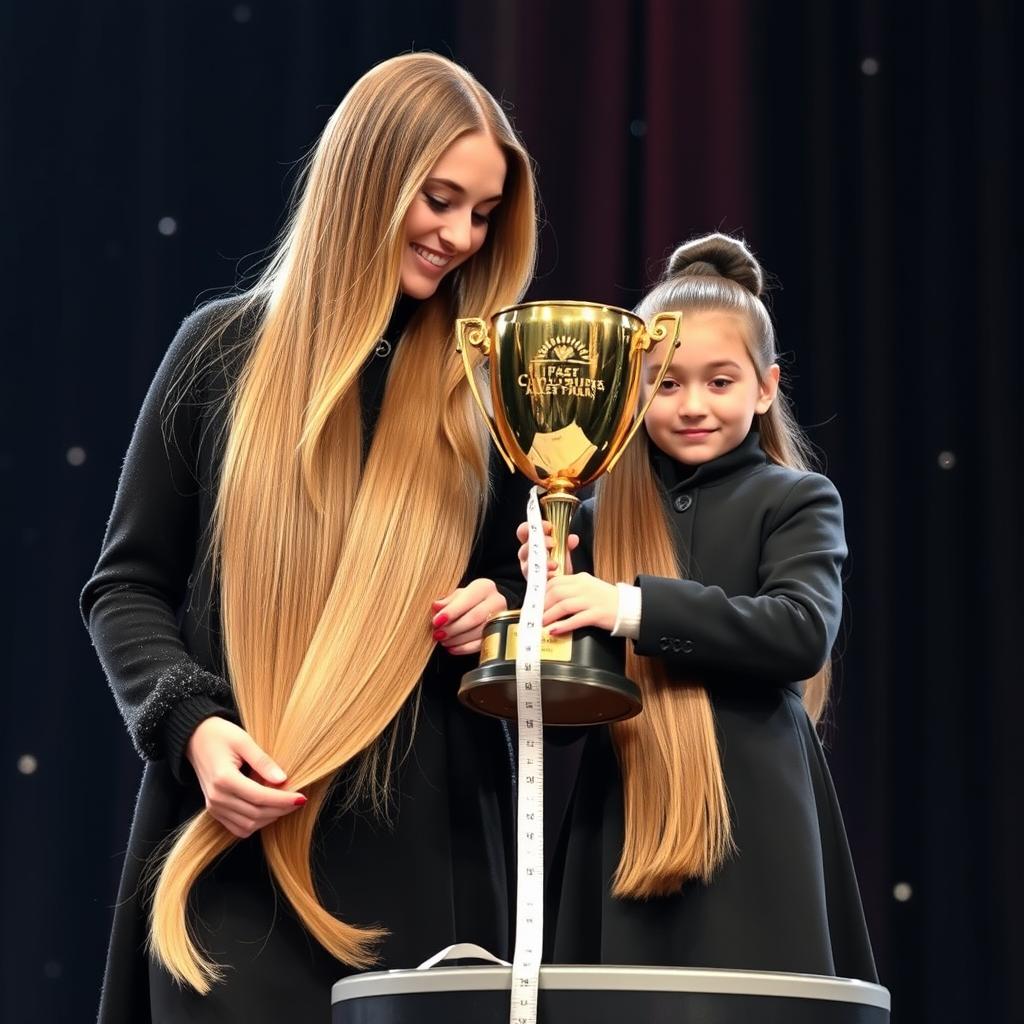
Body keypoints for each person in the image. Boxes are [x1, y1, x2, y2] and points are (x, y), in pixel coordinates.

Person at [82, 53, 536, 1023]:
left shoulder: (484, 392)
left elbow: (524, 580)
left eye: (483, 213)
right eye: (440, 199)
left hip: (426, 865)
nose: (461, 236)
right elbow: (124, 586)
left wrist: (505, 605)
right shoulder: (218, 353)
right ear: (365, 180)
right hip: (232, 850)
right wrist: (194, 731)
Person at [518, 233, 877, 981]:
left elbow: (800, 632)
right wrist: (537, 621)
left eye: (720, 381)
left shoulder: (797, 499)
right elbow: (555, 726)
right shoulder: (590, 512)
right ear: (632, 388)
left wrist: (627, 607)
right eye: (665, 383)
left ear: (766, 387)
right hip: (621, 821)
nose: (691, 406)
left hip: (758, 819)